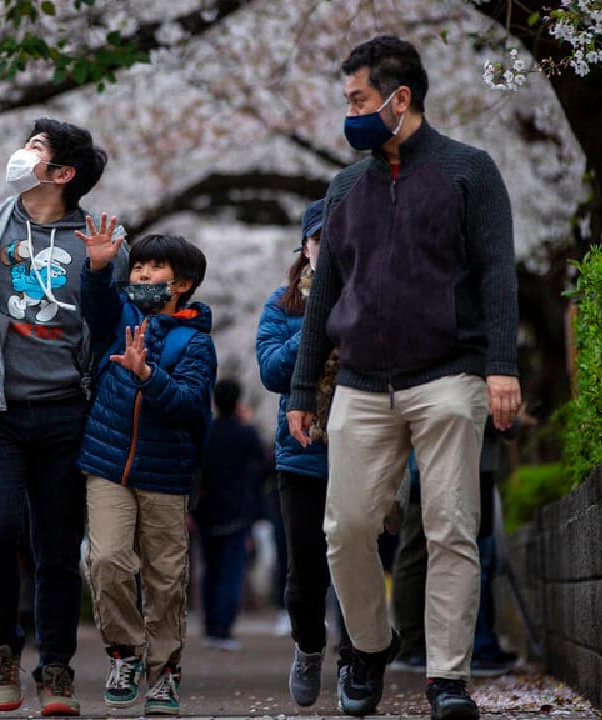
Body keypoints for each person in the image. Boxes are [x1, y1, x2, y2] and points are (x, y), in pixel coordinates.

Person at [287, 36, 522, 720]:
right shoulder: (345, 188)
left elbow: (497, 272)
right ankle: (369, 646)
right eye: (347, 101)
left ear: (400, 98)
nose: (350, 113)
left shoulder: (468, 171)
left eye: (358, 99)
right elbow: (323, 295)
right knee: (346, 529)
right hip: (360, 384)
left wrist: (502, 367)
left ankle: (448, 678)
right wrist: (303, 390)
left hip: (449, 376)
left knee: (451, 528)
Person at [0, 118, 126, 716]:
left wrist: (99, 271)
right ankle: (1, 649)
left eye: (36, 148)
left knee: (58, 547)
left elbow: (110, 330)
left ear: (63, 173)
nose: (21, 153)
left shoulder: (101, 237)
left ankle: (57, 666)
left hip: (68, 410)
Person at [75, 224, 216, 716]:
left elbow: (189, 406)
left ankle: (164, 671)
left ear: (183, 283)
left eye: (156, 268)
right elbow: (94, 303)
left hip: (167, 472)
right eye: (137, 266)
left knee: (166, 577)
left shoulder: (196, 343)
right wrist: (98, 265)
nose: (142, 274)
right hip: (107, 463)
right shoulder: (119, 317)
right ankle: (124, 653)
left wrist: (148, 375)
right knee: (107, 561)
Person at [255, 198, 355, 707]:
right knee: (306, 571)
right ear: (306, 247)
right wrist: (319, 326)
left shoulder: (373, 298)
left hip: (362, 446)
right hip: (302, 451)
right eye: (320, 240)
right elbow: (272, 371)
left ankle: (356, 661)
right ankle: (310, 647)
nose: (330, 248)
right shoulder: (283, 304)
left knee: (356, 561)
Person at [391, 421, 521, 677]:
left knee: (432, 550)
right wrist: (511, 421)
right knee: (457, 548)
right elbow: (493, 417)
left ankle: (433, 647)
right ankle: (469, 647)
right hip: (455, 460)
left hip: (438, 459)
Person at [193, 378, 264, 651]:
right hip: (238, 512)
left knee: (210, 570)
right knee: (231, 572)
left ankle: (210, 626)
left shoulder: (205, 432)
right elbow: (263, 464)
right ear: (237, 402)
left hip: (207, 511)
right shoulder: (246, 433)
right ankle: (224, 629)